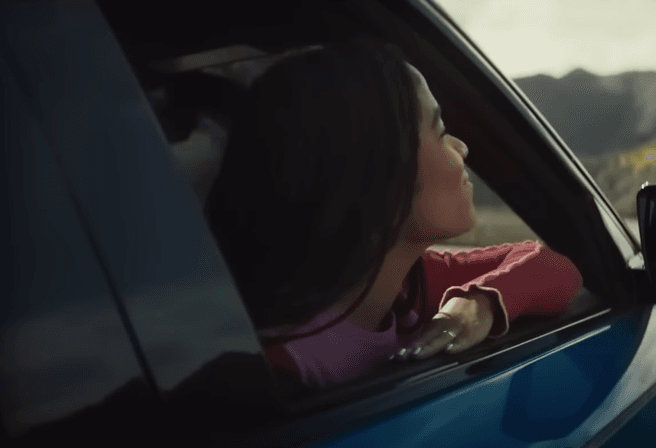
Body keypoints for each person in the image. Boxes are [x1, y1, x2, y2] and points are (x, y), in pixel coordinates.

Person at [203, 39, 583, 388]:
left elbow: (553, 266)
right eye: (439, 130)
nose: (462, 147)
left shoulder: (409, 288)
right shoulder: (274, 372)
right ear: (379, 169)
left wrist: (479, 305)